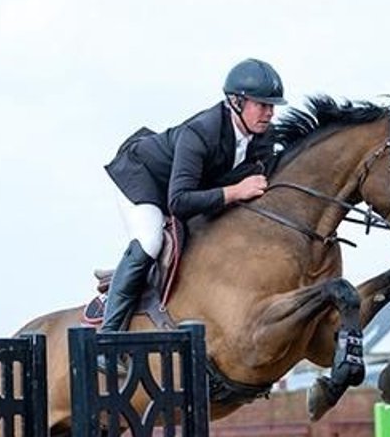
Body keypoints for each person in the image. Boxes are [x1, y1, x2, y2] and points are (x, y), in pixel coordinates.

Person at [96, 58, 287, 358]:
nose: (270, 113)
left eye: (272, 106)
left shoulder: (263, 135)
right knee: (150, 240)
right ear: (236, 102)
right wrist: (235, 191)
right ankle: (105, 341)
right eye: (262, 105)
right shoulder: (200, 133)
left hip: (186, 187)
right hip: (143, 179)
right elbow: (179, 202)